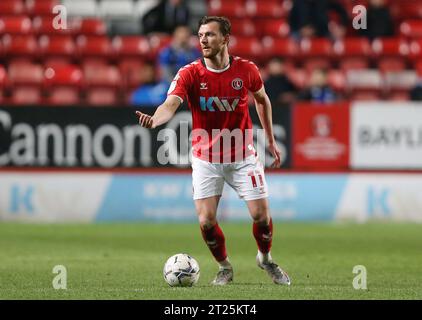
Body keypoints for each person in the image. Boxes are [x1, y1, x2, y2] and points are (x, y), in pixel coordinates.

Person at [136, 16, 291, 286]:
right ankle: (224, 267)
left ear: (225, 39)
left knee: (261, 217)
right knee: (206, 220)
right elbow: (170, 103)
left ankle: (265, 259)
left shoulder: (246, 70)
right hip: (206, 158)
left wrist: (269, 139)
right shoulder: (190, 73)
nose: (203, 40)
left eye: (209, 35)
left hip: (243, 157)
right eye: (200, 35)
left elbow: (262, 100)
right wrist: (156, 119)